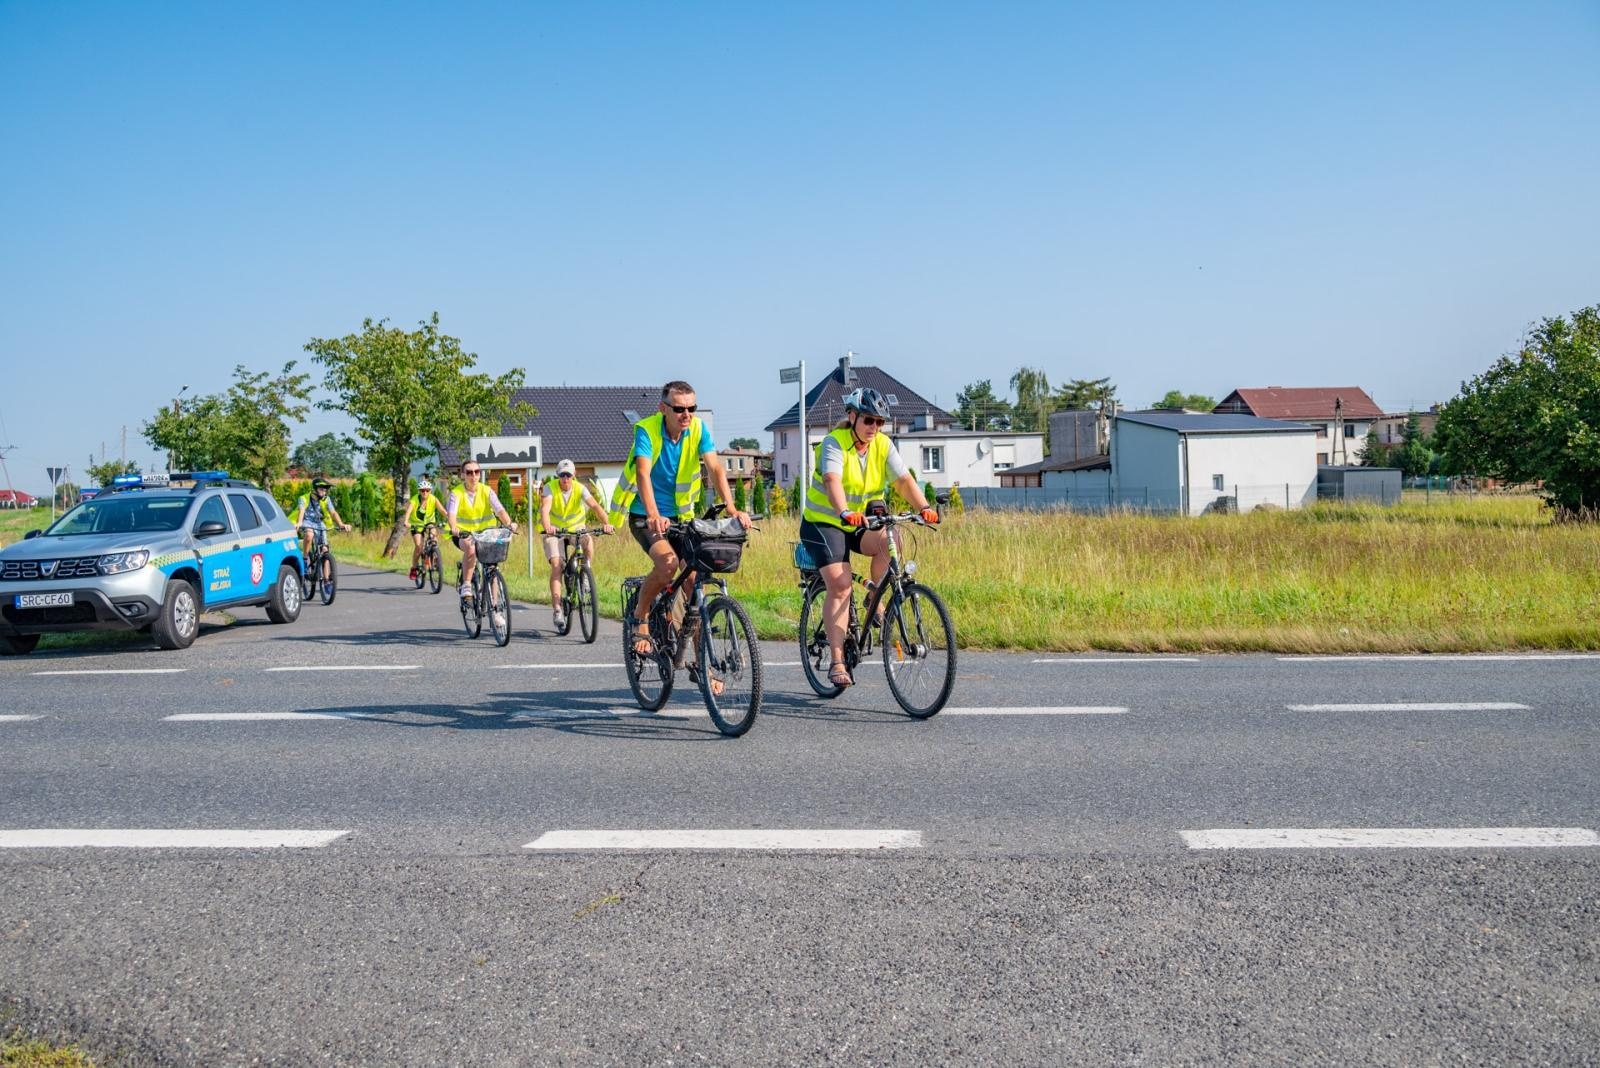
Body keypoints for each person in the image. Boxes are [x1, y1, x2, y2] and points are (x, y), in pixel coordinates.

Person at [799, 386, 938, 688]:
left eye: (879, 422)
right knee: (840, 583)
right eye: (868, 421)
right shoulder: (835, 443)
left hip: (859, 522)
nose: (874, 427)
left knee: (892, 539)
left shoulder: (883, 445)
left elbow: (902, 480)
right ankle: (837, 661)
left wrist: (924, 507)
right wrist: (845, 510)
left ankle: (873, 601)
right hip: (824, 523)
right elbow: (832, 479)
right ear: (852, 417)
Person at [609, 380, 750, 660]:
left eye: (691, 408)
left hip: (682, 517)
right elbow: (642, 474)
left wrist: (732, 508)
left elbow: (715, 469)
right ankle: (641, 615)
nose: (686, 415)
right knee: (668, 564)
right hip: (644, 515)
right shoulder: (647, 430)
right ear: (663, 408)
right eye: (679, 409)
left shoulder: (698, 430)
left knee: (694, 582)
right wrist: (652, 514)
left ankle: (703, 665)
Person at [540, 459, 613, 630]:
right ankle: (557, 608)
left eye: (568, 475)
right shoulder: (550, 487)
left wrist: (607, 523)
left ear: (574, 475)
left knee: (587, 540)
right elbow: (545, 508)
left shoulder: (580, 488)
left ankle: (586, 571)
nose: (565, 478)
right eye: (562, 475)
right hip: (555, 531)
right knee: (557, 565)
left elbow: (594, 505)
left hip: (576, 529)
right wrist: (547, 527)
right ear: (558, 476)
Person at [446, 463, 519, 600]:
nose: (473, 475)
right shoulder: (456, 493)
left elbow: (500, 510)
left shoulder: (487, 491)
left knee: (492, 568)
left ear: (479, 474)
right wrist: (454, 527)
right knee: (471, 548)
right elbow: (451, 515)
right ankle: (466, 584)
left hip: (486, 534)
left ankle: (496, 609)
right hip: (463, 534)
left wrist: (509, 523)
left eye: (476, 472)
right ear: (463, 475)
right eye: (469, 472)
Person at [292, 478, 352, 578]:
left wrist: (341, 524)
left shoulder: (326, 499)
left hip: (320, 523)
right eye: (321, 489)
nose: (324, 492)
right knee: (309, 534)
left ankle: (326, 580)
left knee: (325, 550)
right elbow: (301, 510)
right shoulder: (303, 498)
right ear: (315, 489)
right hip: (307, 522)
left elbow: (333, 512)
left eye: (325, 490)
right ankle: (305, 560)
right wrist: (299, 522)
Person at [405, 479, 447, 581]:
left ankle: (436, 558)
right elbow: (409, 511)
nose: (425, 492)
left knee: (433, 538)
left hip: (429, 523)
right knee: (419, 547)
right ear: (419, 491)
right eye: (422, 490)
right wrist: (406, 521)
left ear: (430, 491)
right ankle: (414, 568)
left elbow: (442, 510)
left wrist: (450, 519)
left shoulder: (433, 499)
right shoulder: (415, 499)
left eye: (427, 490)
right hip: (416, 525)